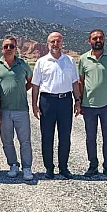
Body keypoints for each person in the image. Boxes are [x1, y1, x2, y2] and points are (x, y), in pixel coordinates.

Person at [31, 32, 82, 179]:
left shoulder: (70, 61)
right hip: (47, 101)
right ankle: (49, 168)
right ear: (48, 43)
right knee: (47, 136)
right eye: (52, 41)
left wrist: (77, 101)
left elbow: (75, 83)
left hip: (65, 101)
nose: (55, 44)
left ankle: (63, 167)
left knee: (65, 136)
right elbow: (35, 85)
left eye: (58, 41)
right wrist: (34, 105)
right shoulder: (41, 62)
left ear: (62, 43)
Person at [78, 29, 107, 178]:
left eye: (100, 38)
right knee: (90, 138)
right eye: (94, 38)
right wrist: (79, 102)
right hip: (88, 105)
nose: (98, 41)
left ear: (104, 40)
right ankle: (93, 165)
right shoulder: (83, 59)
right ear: (89, 41)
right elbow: (81, 82)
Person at [0, 36, 34, 181]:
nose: (9, 49)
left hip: (21, 109)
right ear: (2, 49)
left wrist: (21, 90)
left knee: (25, 141)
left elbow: (30, 81)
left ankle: (27, 167)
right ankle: (13, 164)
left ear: (16, 48)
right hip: (3, 110)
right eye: (6, 46)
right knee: (7, 141)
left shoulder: (23, 64)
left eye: (12, 46)